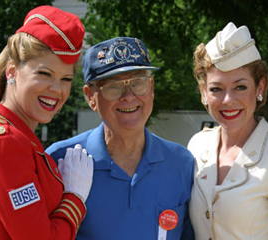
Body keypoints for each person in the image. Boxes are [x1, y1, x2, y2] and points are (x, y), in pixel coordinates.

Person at [0, 5, 93, 240]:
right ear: (12, 71)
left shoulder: (18, 138)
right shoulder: (4, 144)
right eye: (44, 74)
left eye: (66, 79)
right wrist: (74, 198)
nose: (56, 89)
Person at [46, 37, 195, 240]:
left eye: (138, 83)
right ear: (91, 97)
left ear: (151, 88)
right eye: (113, 87)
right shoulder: (59, 160)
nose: (128, 96)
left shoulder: (182, 163)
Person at [188, 22, 268, 239]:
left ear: (260, 87)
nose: (228, 100)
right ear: (204, 92)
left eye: (240, 87)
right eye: (216, 89)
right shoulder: (197, 146)